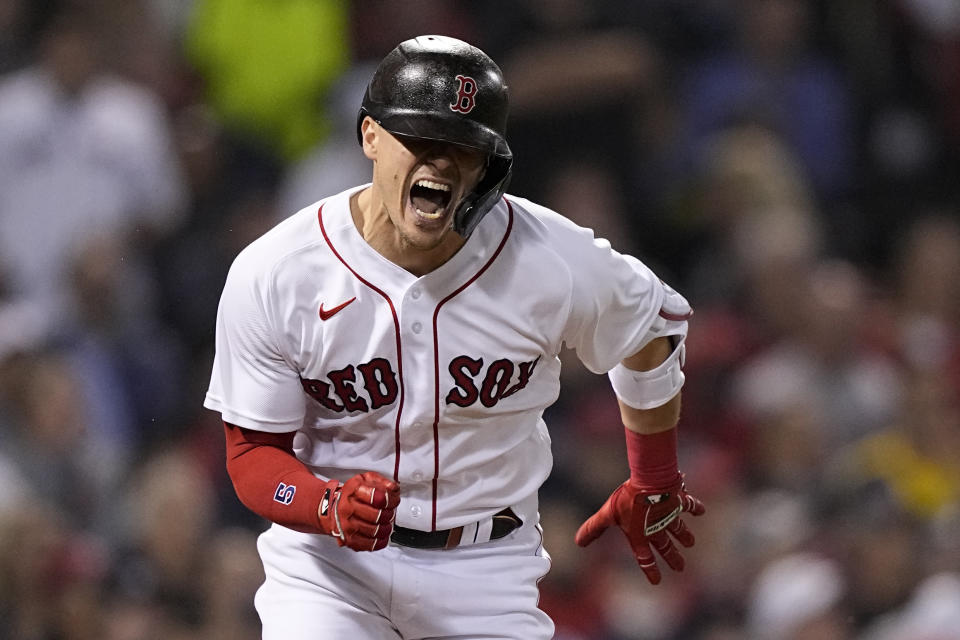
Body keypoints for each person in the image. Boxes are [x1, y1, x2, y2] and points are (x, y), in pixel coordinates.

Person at [204, 34, 705, 639]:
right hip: (329, 569)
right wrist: (326, 506)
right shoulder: (279, 270)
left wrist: (653, 475)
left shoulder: (545, 257)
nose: (442, 161)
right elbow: (252, 454)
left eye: (466, 147)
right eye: (421, 137)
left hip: (487, 568)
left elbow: (651, 331)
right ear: (369, 136)